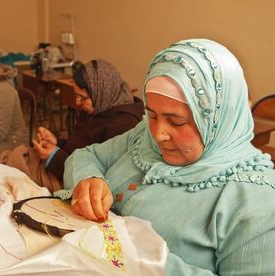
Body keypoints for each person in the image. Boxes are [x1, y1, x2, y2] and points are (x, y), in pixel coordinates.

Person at [58, 39, 275, 275]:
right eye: (152, 115)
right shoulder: (143, 136)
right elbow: (85, 156)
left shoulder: (256, 203)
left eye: (176, 121)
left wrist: (137, 255)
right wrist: (89, 180)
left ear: (218, 120)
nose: (159, 134)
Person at [0, 59, 144, 192]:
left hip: (76, 182)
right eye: (76, 96)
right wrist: (58, 142)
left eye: (82, 97)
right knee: (9, 161)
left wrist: (53, 156)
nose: (77, 103)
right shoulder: (97, 107)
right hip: (64, 167)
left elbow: (98, 178)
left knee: (9, 170)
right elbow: (80, 147)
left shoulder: (124, 125)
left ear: (101, 92)